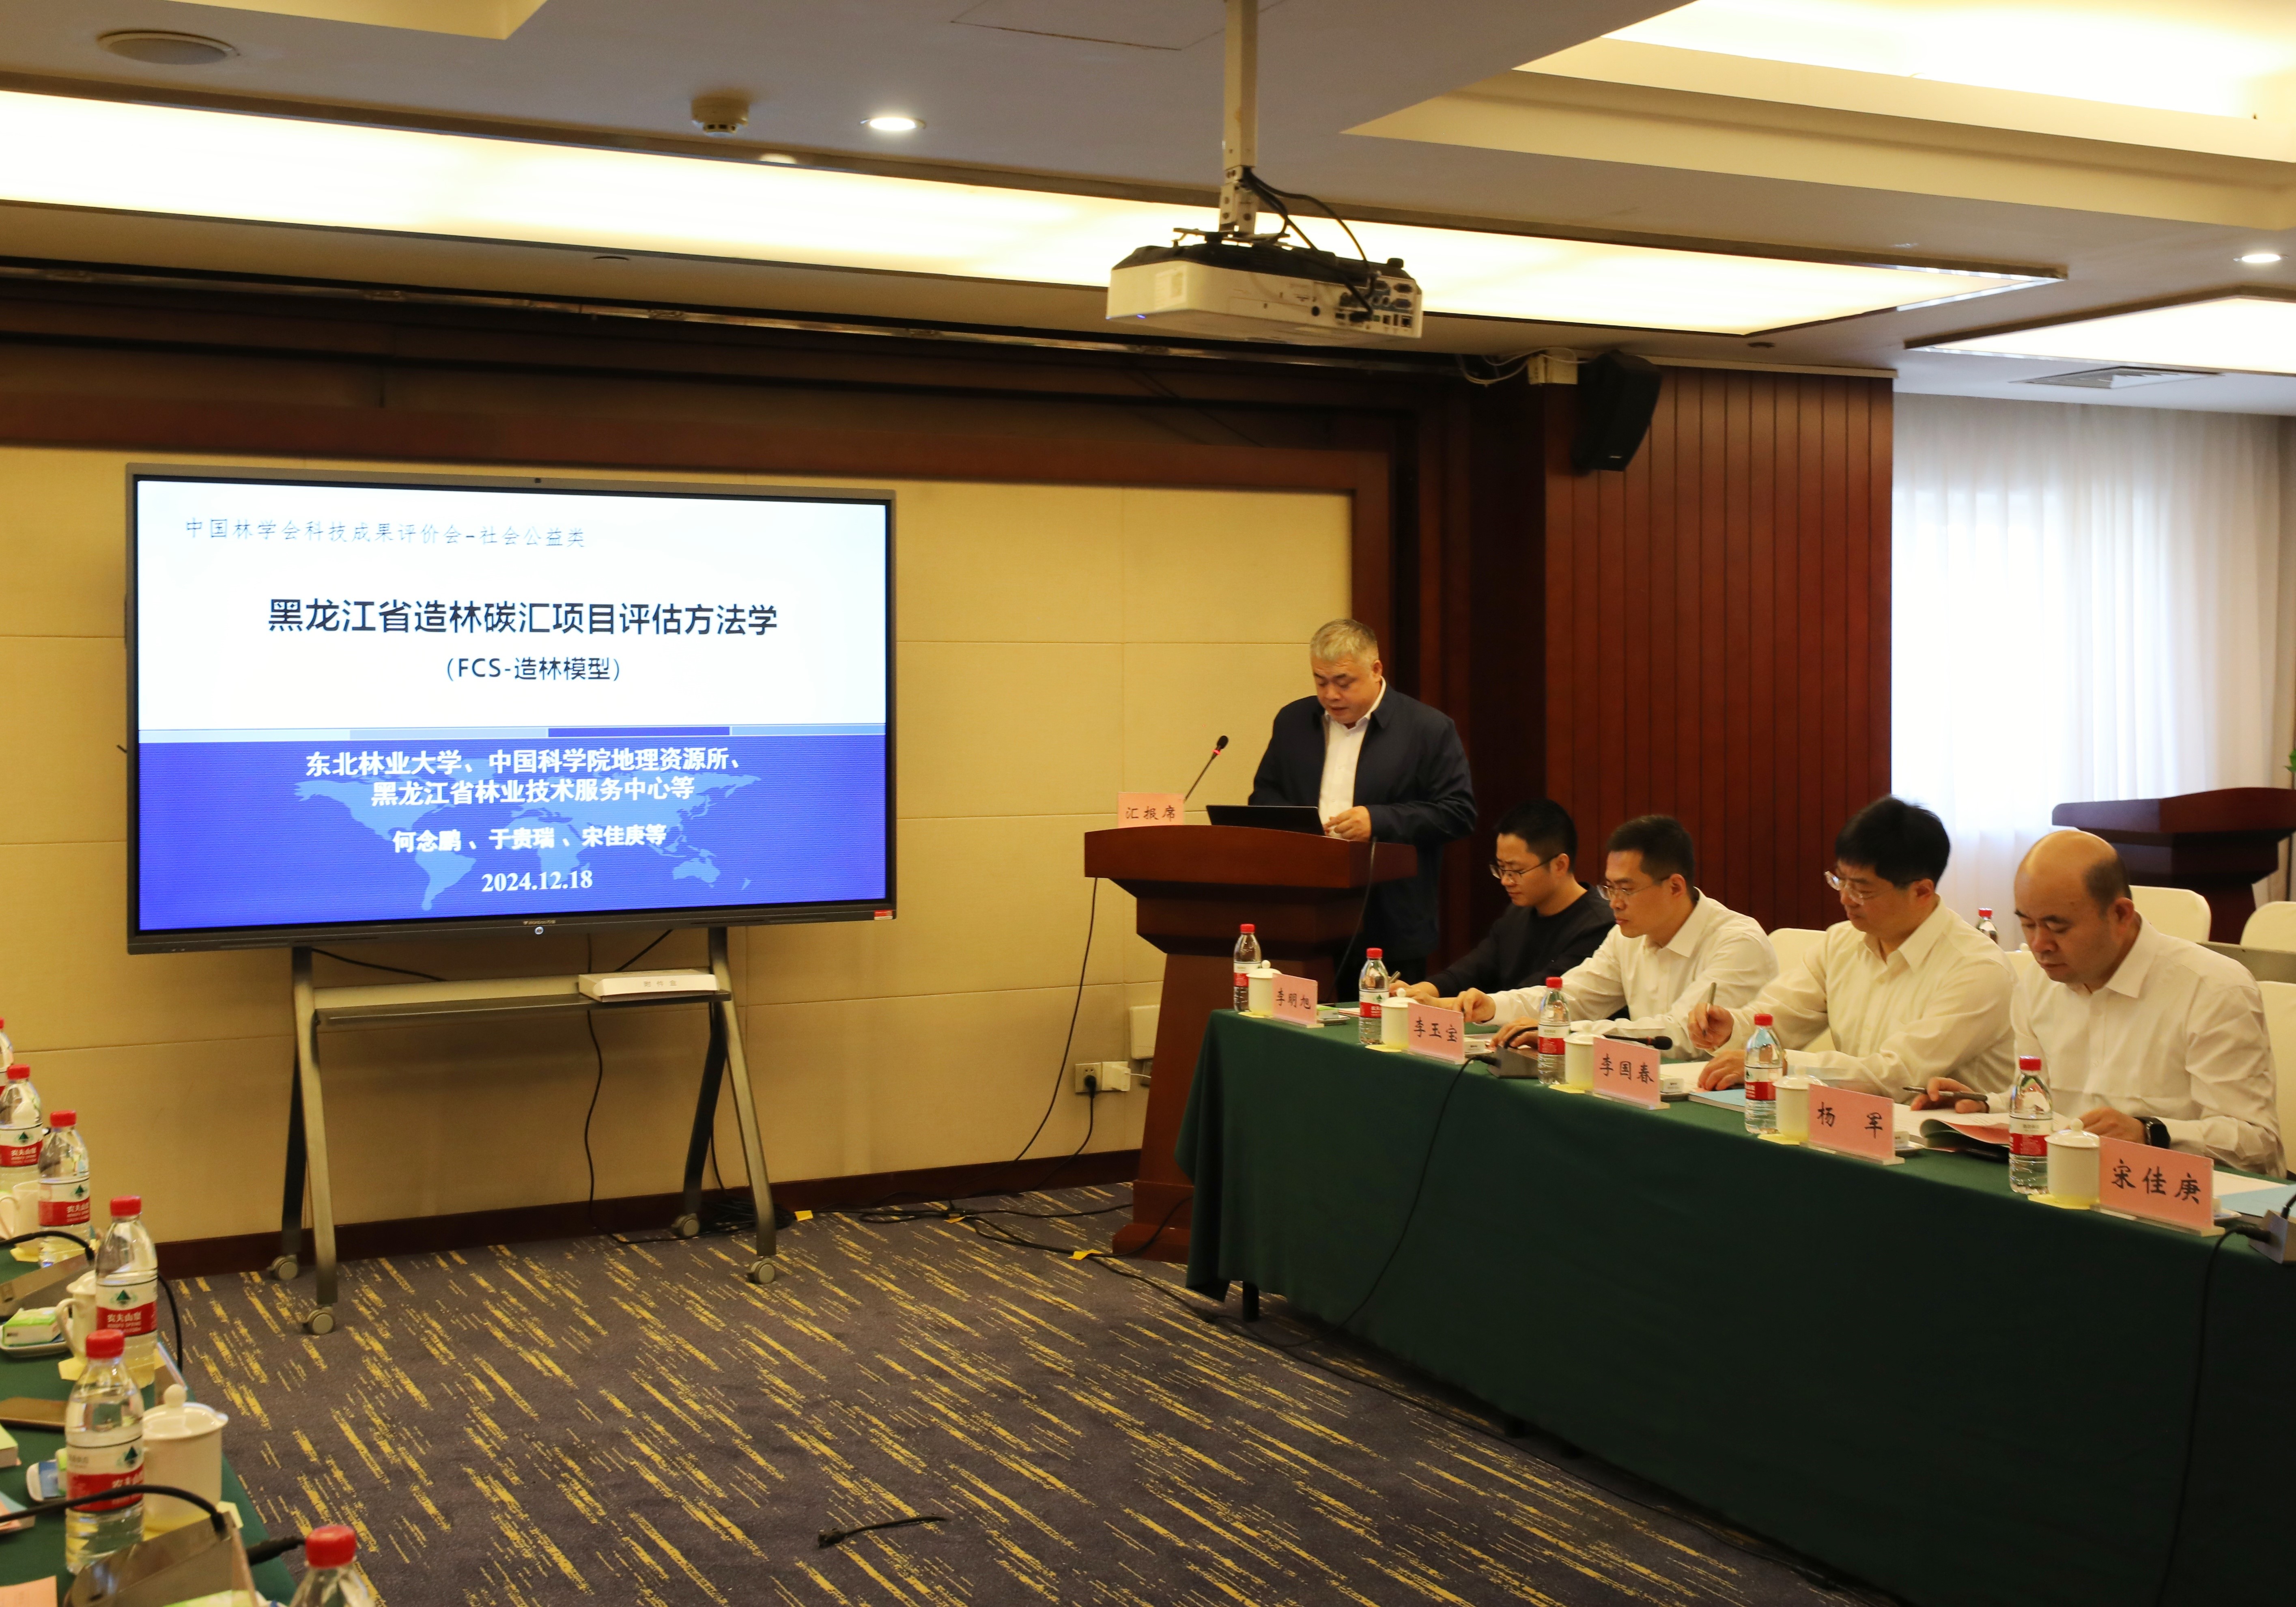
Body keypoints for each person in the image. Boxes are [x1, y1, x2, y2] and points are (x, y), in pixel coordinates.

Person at [1915, 830, 2283, 1175]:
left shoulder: (2211, 989)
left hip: (2177, 1193)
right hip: (2068, 1181)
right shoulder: (2037, 984)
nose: (2040, 944)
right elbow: (2047, 1103)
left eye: (2057, 927)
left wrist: (2149, 1132)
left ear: (2120, 915)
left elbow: (2257, 1144)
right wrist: (1983, 1104)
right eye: (2027, 924)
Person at [1687, 796, 2013, 1098]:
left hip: (1945, 1136)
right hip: (1854, 1122)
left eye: (1862, 890)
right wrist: (1730, 1028)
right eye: (1840, 880)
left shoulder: (1975, 968)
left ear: (1921, 892)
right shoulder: (1841, 942)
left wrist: (1785, 1066)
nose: (1845, 898)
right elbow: (1779, 1019)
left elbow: (1896, 1076)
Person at [1248, 618, 1475, 983]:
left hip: (1388, 920)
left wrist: (1379, 821)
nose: (1331, 695)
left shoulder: (1427, 729)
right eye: (1320, 681)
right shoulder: (1293, 721)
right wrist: (1302, 828)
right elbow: (1263, 796)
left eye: (1344, 683)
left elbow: (1458, 813)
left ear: (1376, 670)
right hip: (1307, 914)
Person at [1469, 814, 1775, 1062]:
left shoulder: (1738, 943)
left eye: (1626, 890)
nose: (1614, 903)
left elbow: (1683, 1036)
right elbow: (1575, 997)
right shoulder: (1626, 936)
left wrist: (1567, 1033)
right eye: (1610, 888)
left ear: (1674, 887)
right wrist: (1490, 1006)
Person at [1397, 799, 1611, 1008]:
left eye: (1516, 871)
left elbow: (1538, 997)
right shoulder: (1518, 913)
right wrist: (1418, 991)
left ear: (1560, 865)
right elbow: (1475, 968)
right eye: (1501, 868)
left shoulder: (1599, 926)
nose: (1506, 881)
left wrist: (1439, 1004)